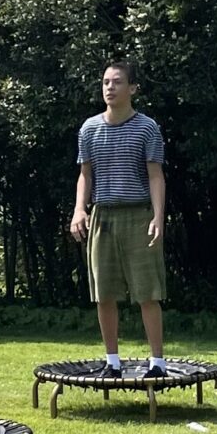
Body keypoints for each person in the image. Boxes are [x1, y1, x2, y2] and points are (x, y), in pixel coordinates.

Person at [69, 58, 167, 375]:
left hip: (138, 214)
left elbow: (155, 175)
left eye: (117, 82)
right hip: (103, 217)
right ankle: (112, 361)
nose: (110, 88)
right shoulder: (89, 128)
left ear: (133, 88)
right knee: (104, 292)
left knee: (147, 291)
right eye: (106, 82)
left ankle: (158, 362)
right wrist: (78, 210)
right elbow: (85, 174)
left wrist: (158, 216)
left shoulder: (147, 127)